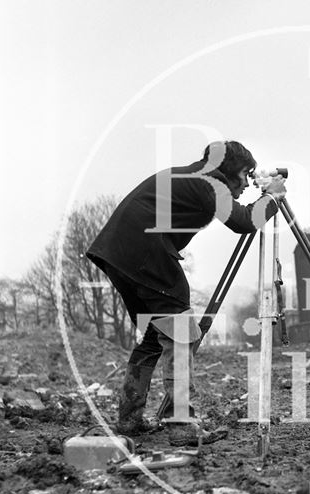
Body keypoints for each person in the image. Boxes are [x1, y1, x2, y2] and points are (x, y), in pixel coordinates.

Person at [86, 140, 285, 445]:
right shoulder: (209, 183)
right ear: (228, 171)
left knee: (155, 336)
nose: (246, 183)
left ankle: (129, 419)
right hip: (145, 254)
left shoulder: (196, 178)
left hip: (118, 254)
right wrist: (272, 197)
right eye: (245, 174)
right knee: (181, 332)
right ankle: (180, 424)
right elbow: (244, 221)